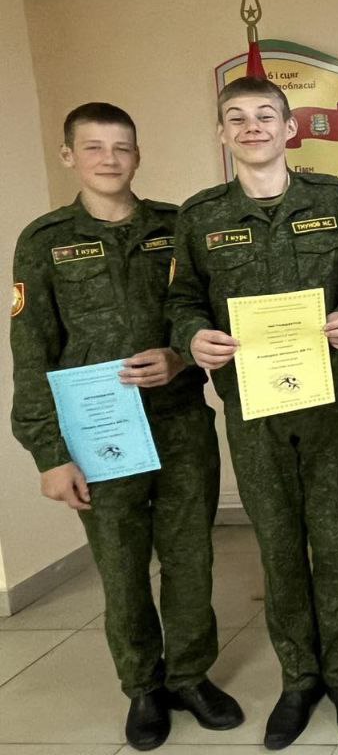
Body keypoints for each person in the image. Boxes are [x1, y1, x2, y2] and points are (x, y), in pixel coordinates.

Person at [10, 103, 242, 751]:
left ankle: (190, 675)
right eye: (93, 147)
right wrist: (49, 455)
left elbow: (204, 314)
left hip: (178, 422)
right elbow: (30, 353)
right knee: (121, 566)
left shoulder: (176, 226)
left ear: (138, 155)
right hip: (97, 434)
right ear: (68, 156)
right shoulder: (45, 241)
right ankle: (143, 686)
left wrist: (179, 356)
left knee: (191, 558)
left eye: (121, 148)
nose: (109, 160)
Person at [167, 77, 338, 749]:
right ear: (222, 134)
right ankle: (299, 677)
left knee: (336, 542)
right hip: (252, 406)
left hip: (327, 402)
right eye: (236, 117)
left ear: (290, 129)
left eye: (265, 115)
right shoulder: (200, 216)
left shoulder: (331, 199)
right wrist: (193, 338)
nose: (251, 126)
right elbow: (181, 302)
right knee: (279, 545)